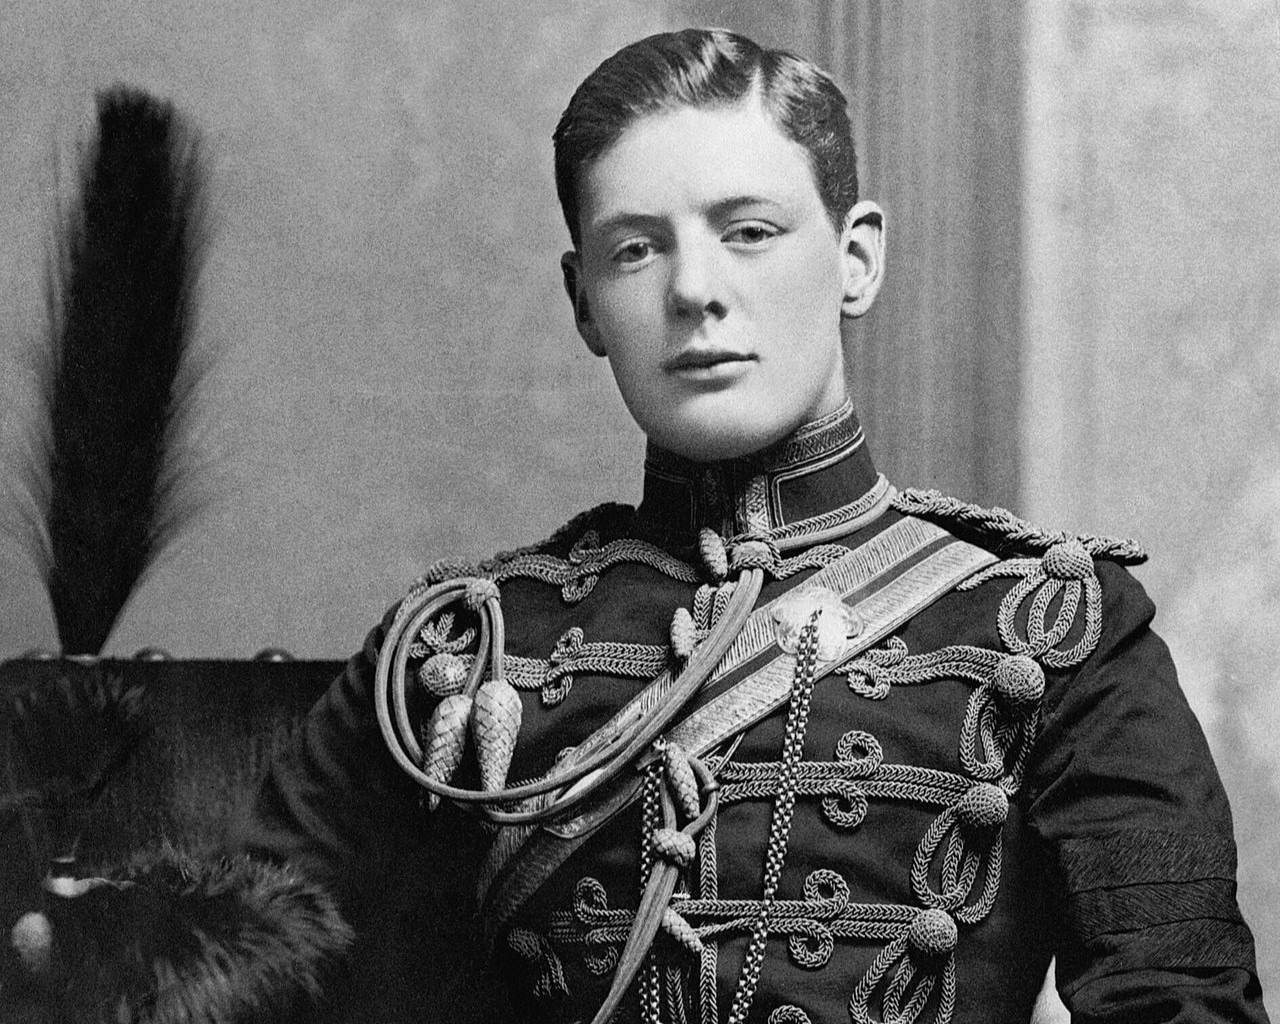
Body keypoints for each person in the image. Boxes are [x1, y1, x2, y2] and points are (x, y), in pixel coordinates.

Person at [239, 28, 1268, 1024]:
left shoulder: (1053, 629)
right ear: (584, 302)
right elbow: (239, 972)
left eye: (748, 232)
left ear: (854, 257)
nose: (694, 291)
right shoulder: (465, 649)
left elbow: (1178, 1004)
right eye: (636, 249)